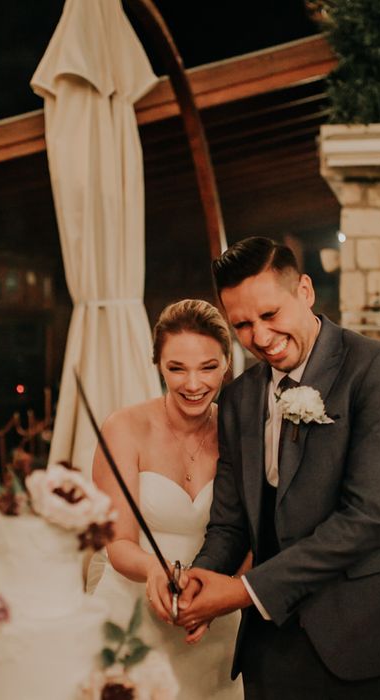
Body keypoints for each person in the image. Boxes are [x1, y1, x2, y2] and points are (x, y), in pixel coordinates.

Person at [149, 237, 380, 699]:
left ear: (306, 291)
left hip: (379, 635)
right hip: (276, 647)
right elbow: (231, 521)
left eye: (270, 315)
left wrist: (239, 592)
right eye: (242, 325)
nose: (261, 337)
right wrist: (200, 578)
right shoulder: (238, 397)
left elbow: (368, 518)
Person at [89, 299, 243, 700]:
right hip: (132, 613)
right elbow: (118, 542)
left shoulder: (241, 432)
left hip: (214, 620)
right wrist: (154, 570)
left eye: (208, 367)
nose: (193, 384)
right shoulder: (123, 428)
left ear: (228, 362)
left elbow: (252, 535)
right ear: (157, 364)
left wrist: (222, 598)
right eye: (177, 368)